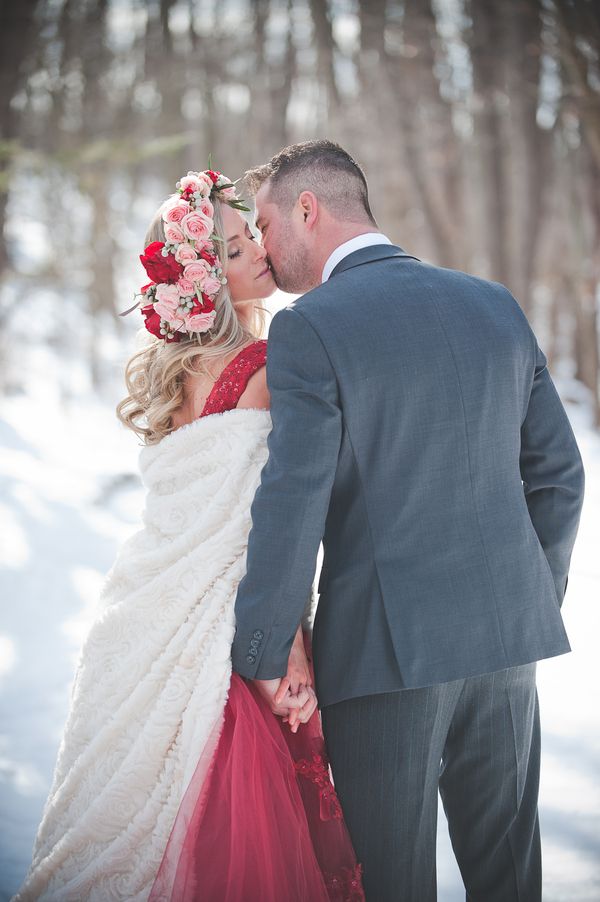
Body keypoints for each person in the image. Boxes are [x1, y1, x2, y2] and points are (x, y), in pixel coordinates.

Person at [231, 139, 586, 902]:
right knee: (509, 878)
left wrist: (263, 651)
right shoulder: (493, 303)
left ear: (307, 208)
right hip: (503, 649)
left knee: (389, 882)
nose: (261, 245)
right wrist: (528, 597)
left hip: (383, 660)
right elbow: (559, 475)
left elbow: (294, 496)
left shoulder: (311, 327)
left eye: (263, 223)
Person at [14, 169, 364, 902]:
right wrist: (291, 638)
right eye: (236, 252)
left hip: (144, 605)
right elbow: (277, 514)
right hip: (221, 618)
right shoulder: (267, 366)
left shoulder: (179, 378)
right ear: (205, 283)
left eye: (248, 236)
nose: (259, 253)